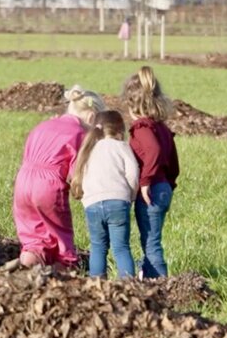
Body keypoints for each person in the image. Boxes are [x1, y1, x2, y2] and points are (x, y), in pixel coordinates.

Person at [12, 85, 105, 272]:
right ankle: (63, 279)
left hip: (23, 182)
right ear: (92, 117)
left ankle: (24, 273)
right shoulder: (81, 135)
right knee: (62, 240)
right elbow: (75, 173)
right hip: (48, 186)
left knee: (34, 239)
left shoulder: (43, 125)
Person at [122, 66, 179, 279]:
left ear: (132, 104)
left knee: (151, 244)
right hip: (163, 187)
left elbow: (153, 151)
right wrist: (168, 185)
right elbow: (173, 163)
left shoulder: (142, 128)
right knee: (150, 240)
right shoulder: (161, 128)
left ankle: (161, 287)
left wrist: (145, 181)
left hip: (151, 191)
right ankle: (147, 278)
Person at [70, 110, 139, 280]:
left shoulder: (87, 149)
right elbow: (132, 174)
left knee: (98, 247)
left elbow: (80, 175)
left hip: (92, 204)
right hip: (118, 202)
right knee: (121, 247)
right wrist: (131, 196)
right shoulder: (121, 147)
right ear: (120, 130)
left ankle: (96, 287)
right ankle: (128, 286)